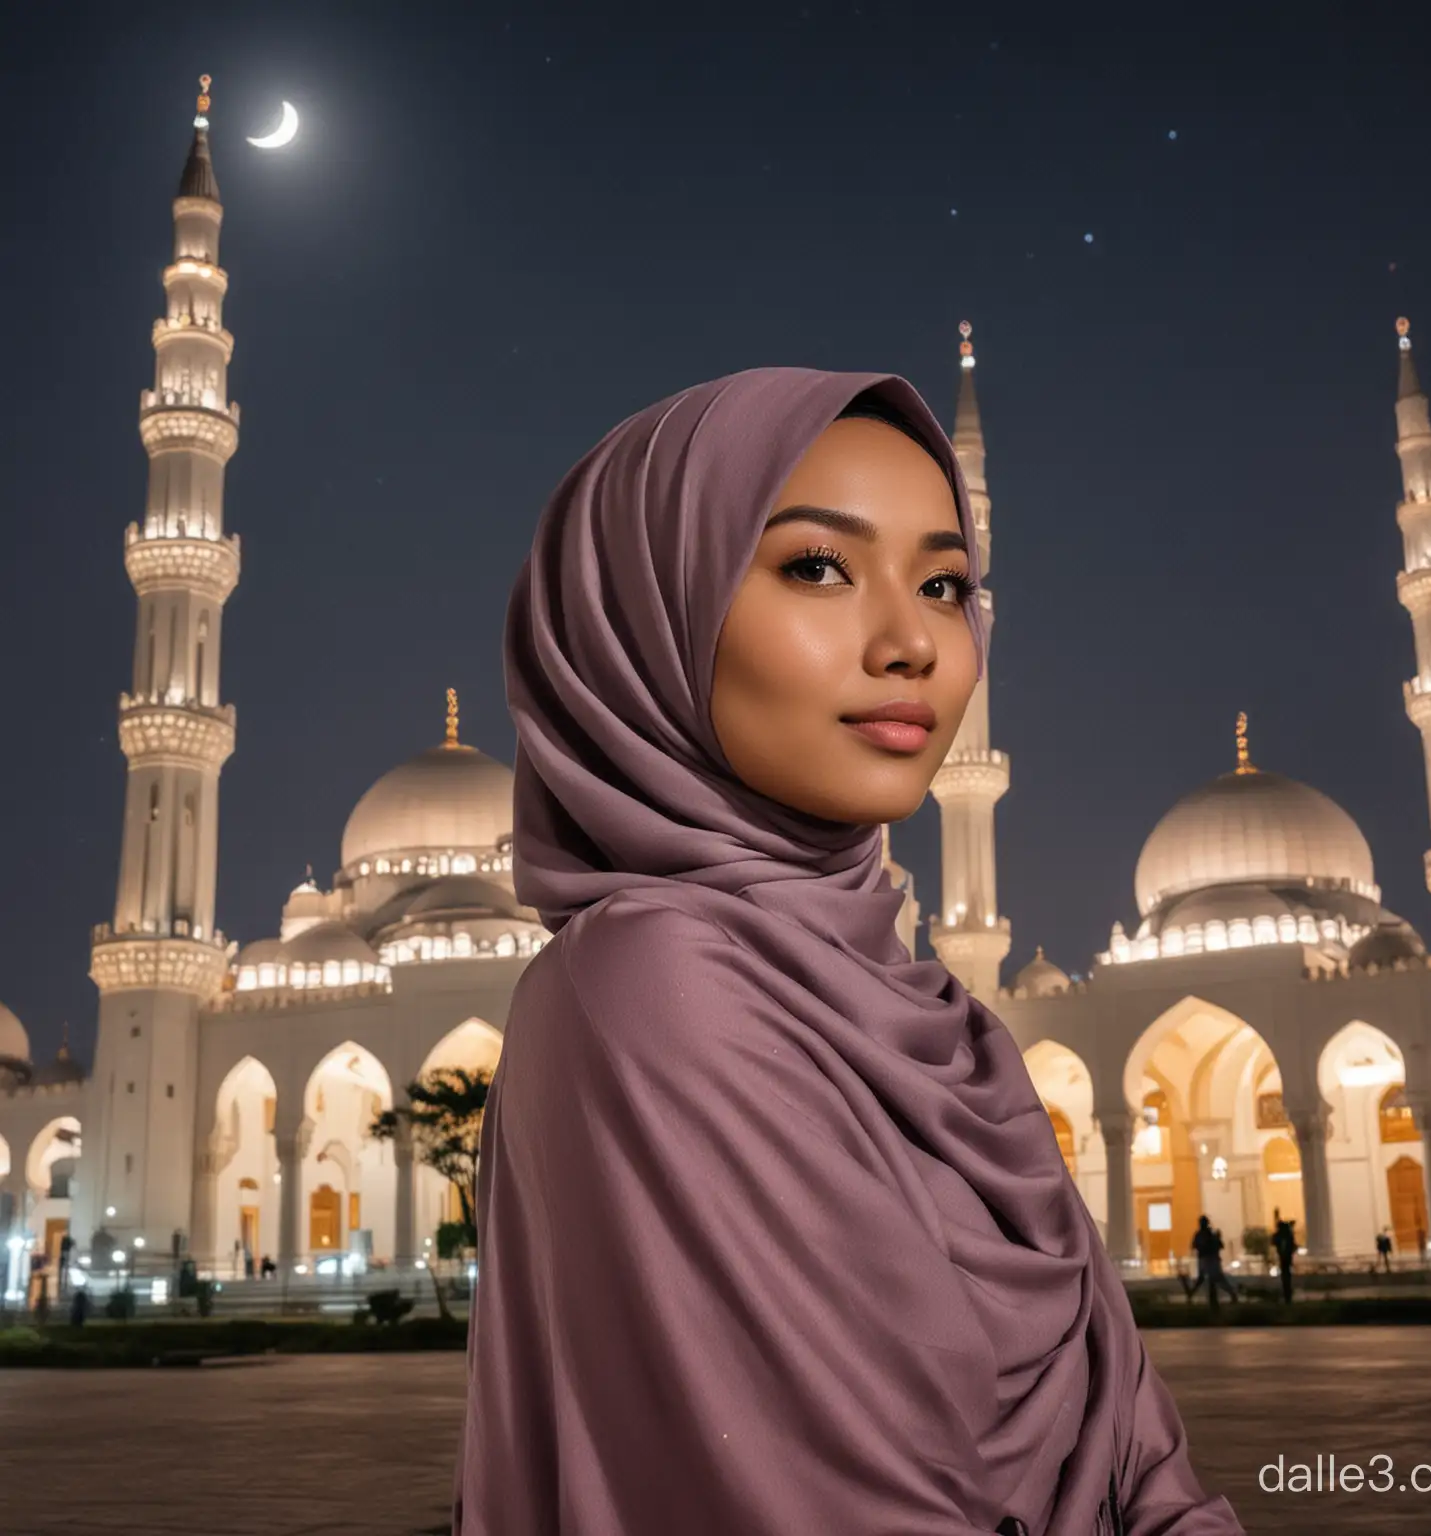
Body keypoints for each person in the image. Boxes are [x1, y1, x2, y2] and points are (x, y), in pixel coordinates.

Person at [456, 369, 1241, 1534]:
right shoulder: (648, 986)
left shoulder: (940, 1015)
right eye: (817, 567)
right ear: (644, 612)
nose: (913, 643)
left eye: (944, 584)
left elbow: (1140, 1458)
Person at [1191, 1216, 1239, 1309]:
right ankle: (1229, 1295)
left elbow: (1197, 1246)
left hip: (1209, 1259)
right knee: (1213, 1279)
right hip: (1208, 1259)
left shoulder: (1205, 1234)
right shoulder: (1205, 1234)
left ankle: (1228, 1295)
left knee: (1214, 1279)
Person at [1270, 1208, 1297, 1304]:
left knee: (1286, 1277)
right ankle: (1287, 1295)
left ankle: (1288, 1295)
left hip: (1285, 1259)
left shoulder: (1285, 1237)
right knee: (1285, 1277)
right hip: (1284, 1259)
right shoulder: (1285, 1236)